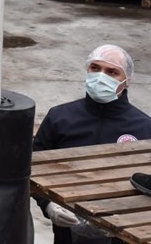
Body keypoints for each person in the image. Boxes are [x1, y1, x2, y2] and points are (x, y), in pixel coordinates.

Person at [32, 44, 151, 243]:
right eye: (95, 68)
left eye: (112, 71)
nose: (101, 76)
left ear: (127, 80)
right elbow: (32, 167)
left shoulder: (144, 128)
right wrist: (48, 205)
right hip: (67, 232)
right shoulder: (59, 118)